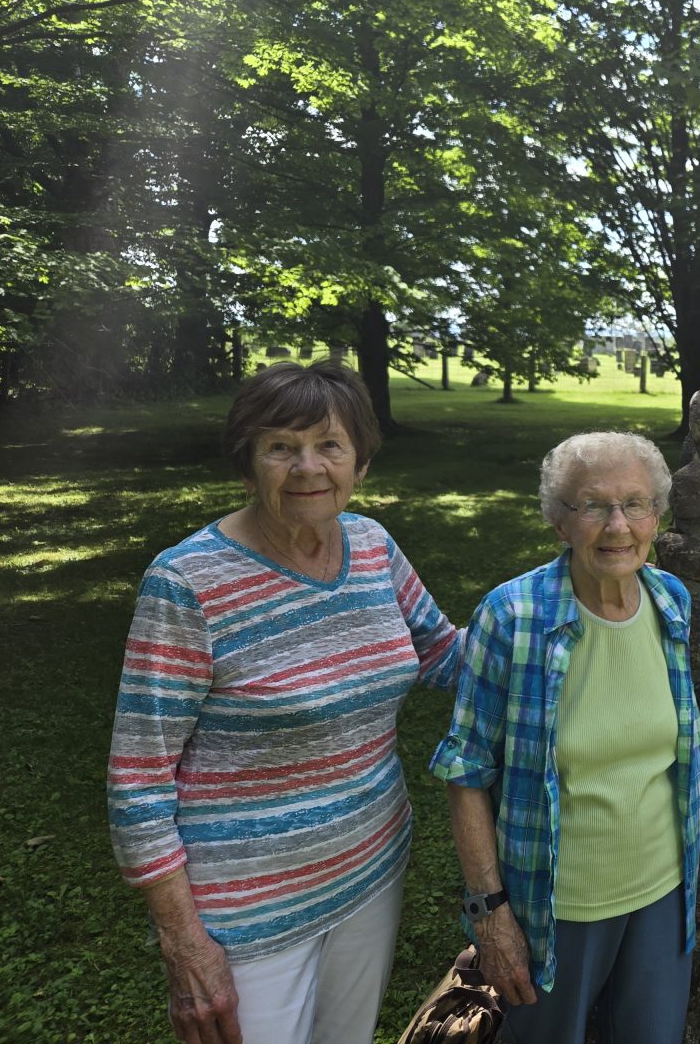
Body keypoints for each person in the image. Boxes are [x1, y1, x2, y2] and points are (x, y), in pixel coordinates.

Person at [106, 360, 462, 1044]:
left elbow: (443, 654)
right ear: (248, 464)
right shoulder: (188, 583)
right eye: (281, 447)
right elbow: (137, 783)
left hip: (370, 873)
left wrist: (552, 616)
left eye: (330, 445)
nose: (308, 468)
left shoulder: (373, 545)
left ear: (359, 462)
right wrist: (184, 943)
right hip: (244, 914)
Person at [430, 431, 700, 1044]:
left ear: (656, 516)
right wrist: (490, 913)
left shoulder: (670, 603)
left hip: (662, 889)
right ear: (559, 521)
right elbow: (466, 770)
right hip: (557, 906)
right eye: (591, 506)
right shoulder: (512, 616)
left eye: (635, 504)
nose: (616, 525)